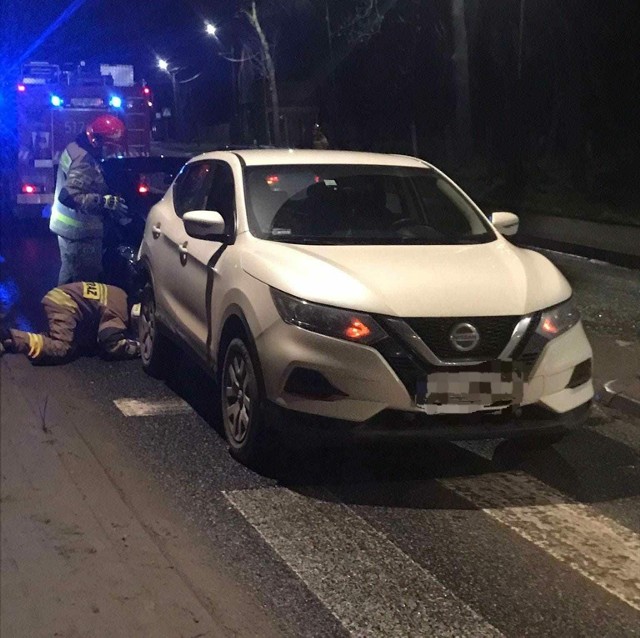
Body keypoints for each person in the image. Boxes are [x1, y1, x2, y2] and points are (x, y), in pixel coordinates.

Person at [49, 115, 129, 285]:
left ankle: (63, 309)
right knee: (83, 285)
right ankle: (77, 311)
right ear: (96, 141)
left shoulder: (74, 148)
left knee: (70, 277)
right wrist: (103, 202)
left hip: (68, 229)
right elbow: (69, 195)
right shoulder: (84, 161)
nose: (113, 152)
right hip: (79, 233)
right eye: (110, 147)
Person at [0, 282, 139, 364]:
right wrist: (137, 347)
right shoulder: (120, 310)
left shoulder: (119, 294)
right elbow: (109, 340)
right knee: (61, 348)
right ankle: (10, 337)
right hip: (65, 303)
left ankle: (15, 338)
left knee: (66, 342)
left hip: (60, 298)